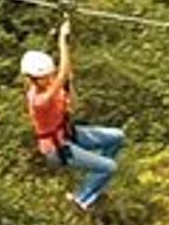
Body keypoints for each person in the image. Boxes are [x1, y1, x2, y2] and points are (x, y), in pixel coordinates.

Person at [20, 16, 126, 213]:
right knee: (110, 167)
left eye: (49, 76)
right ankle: (81, 199)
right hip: (58, 149)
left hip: (69, 134)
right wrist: (62, 39)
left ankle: (94, 178)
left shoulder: (48, 85)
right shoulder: (39, 100)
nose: (49, 79)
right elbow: (63, 72)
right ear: (34, 80)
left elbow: (62, 77)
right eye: (44, 78)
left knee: (118, 137)